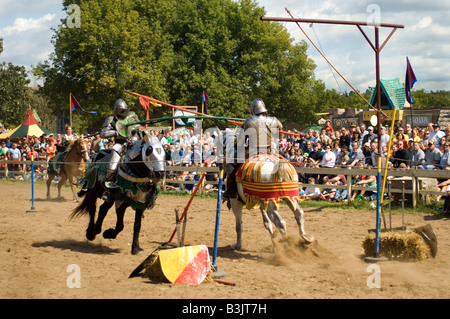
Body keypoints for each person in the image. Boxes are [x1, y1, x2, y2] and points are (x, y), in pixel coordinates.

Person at [223, 98, 282, 200]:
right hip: (269, 151)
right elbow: (280, 130)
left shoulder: (249, 121)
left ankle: (231, 192)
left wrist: (237, 146)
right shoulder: (274, 120)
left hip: (252, 152)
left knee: (230, 164)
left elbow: (241, 140)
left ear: (253, 109)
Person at [86, 98, 142, 200]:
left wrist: (134, 138)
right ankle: (108, 185)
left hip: (133, 144)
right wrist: (117, 133)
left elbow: (138, 131)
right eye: (120, 110)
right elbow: (103, 133)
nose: (122, 112)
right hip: (120, 144)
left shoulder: (132, 118)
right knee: (114, 160)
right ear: (116, 110)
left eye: (123, 110)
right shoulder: (111, 119)